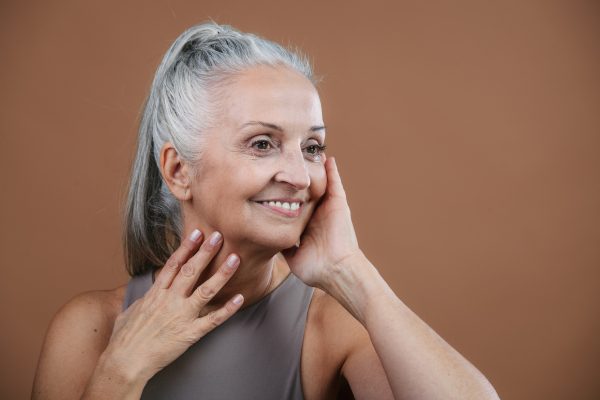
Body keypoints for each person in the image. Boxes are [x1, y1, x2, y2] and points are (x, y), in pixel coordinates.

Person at [31, 22, 499, 400]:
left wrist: (351, 272)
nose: (300, 176)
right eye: (262, 144)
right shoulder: (90, 329)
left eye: (312, 147)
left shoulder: (332, 327)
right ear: (178, 172)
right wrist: (119, 373)